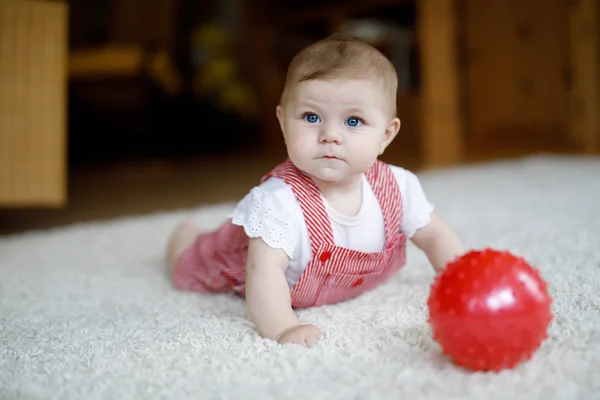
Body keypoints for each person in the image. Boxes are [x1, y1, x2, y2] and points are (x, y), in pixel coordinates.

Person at [165, 34, 464, 348]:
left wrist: (464, 281)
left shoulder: (399, 187)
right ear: (283, 123)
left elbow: (436, 236)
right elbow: (262, 271)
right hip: (231, 258)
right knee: (190, 266)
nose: (330, 135)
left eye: (353, 120)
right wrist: (283, 328)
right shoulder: (278, 201)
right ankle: (181, 241)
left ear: (386, 136)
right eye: (311, 117)